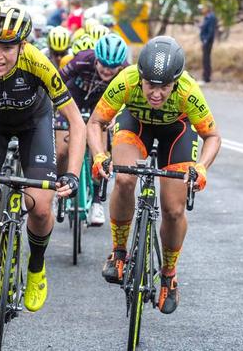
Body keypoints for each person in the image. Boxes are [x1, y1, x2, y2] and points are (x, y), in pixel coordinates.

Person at [0, 1, 86, 327]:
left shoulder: (38, 63)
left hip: (34, 125)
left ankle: (37, 268)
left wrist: (72, 173)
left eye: (7, 48)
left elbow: (76, 123)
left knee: (41, 206)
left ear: (22, 45)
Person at [88, 36, 221, 314]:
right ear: (140, 77)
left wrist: (202, 167)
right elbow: (97, 121)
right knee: (124, 179)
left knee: (173, 210)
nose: (156, 94)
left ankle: (169, 274)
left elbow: (212, 136)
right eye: (150, 85)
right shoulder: (126, 80)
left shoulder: (188, 90)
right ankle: (119, 252)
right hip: (135, 124)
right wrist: (100, 154)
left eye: (164, 87)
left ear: (176, 81)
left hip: (177, 131)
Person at [58, 33, 129, 226]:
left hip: (101, 106)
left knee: (101, 152)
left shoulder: (126, 72)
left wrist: (116, 118)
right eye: (104, 65)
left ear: (120, 65)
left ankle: (97, 201)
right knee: (62, 151)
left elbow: (128, 100)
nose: (107, 71)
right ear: (96, 59)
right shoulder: (82, 60)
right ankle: (62, 186)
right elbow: (56, 81)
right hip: (74, 100)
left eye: (112, 67)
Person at [199, 2, 217, 83]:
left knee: (206, 59)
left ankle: (207, 78)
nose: (202, 9)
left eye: (203, 8)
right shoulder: (207, 17)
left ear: (208, 9)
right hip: (205, 41)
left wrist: (205, 40)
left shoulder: (211, 17)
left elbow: (211, 31)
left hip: (207, 42)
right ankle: (205, 76)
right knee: (205, 59)